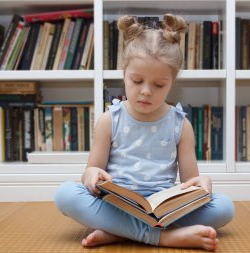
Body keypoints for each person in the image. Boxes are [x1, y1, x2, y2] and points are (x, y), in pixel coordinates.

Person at [55, 14, 234, 251]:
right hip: (117, 204)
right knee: (65, 194)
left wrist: (202, 183)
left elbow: (189, 185)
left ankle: (119, 231)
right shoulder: (110, 120)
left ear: (172, 82)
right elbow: (90, 173)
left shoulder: (181, 124)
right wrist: (91, 177)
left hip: (164, 209)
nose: (146, 91)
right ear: (124, 74)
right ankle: (162, 237)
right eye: (137, 80)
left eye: (159, 85)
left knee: (224, 207)